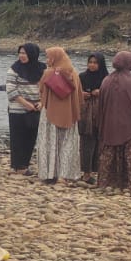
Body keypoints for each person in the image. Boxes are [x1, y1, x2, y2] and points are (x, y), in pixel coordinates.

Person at [95, 51, 131, 193]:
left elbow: (100, 105)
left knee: (109, 153)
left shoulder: (106, 80)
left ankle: (108, 182)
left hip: (109, 126)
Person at [35, 47, 82, 184]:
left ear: (55, 58)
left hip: (50, 114)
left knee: (49, 143)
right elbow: (79, 96)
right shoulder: (74, 74)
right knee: (67, 144)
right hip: (69, 114)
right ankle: (64, 175)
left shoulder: (48, 73)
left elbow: (41, 90)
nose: (47, 60)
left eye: (49, 57)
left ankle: (49, 173)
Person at [5, 43, 44, 174]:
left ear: (32, 54)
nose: (22, 56)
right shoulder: (14, 69)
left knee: (31, 137)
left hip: (36, 108)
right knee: (17, 137)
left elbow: (47, 89)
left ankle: (25, 165)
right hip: (17, 109)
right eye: (20, 53)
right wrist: (26, 104)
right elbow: (11, 90)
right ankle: (18, 166)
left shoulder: (42, 69)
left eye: (25, 53)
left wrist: (41, 102)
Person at [78, 52, 108, 183]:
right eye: (90, 62)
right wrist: (82, 94)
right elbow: (74, 92)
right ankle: (86, 172)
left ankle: (99, 171)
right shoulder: (82, 76)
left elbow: (112, 94)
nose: (92, 65)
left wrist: (101, 92)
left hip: (101, 112)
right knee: (86, 141)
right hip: (86, 112)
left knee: (100, 142)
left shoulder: (106, 78)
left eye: (95, 62)